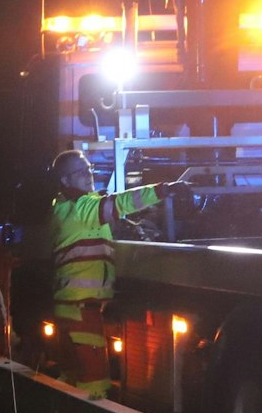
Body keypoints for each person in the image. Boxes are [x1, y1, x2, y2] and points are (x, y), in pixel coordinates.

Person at [46, 150, 185, 397]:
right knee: (94, 385)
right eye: (80, 172)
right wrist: (162, 190)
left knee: (71, 379)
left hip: (71, 306)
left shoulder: (67, 207)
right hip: (81, 308)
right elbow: (119, 203)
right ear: (64, 181)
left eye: (89, 169)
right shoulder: (81, 208)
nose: (88, 175)